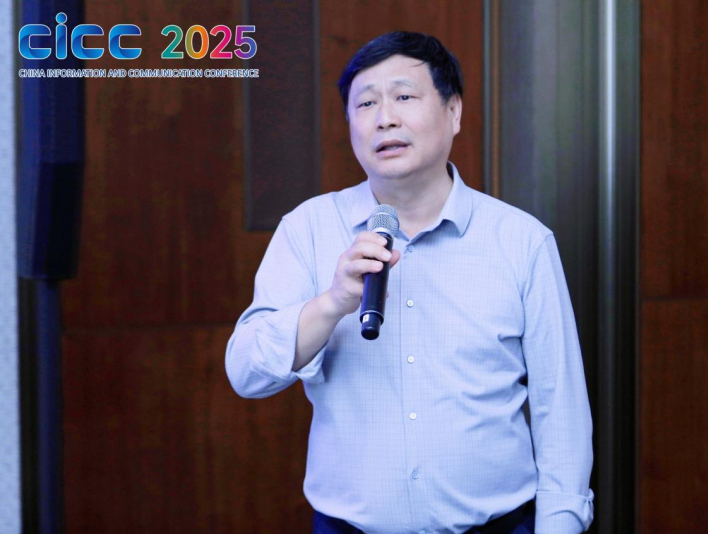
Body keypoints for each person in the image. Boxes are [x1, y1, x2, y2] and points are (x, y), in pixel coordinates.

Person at [226, 31, 594, 534]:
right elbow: (247, 373)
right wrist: (332, 302)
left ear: (454, 112)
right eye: (366, 104)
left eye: (403, 97)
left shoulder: (521, 241)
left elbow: (561, 410)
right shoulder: (307, 229)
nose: (385, 118)